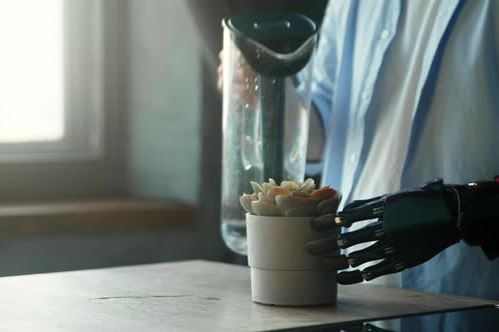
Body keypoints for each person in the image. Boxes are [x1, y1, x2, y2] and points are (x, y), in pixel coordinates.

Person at [211, 0, 499, 330]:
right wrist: (269, 92)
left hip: (466, 298)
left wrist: (466, 210)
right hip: (354, 298)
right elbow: (322, 129)